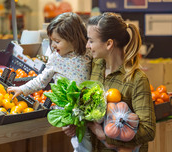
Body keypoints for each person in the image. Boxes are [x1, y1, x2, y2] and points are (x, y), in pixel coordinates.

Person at [63, 12, 156, 152]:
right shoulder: (95, 66)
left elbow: (148, 131)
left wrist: (104, 136)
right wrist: (76, 122)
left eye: (91, 41)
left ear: (109, 44)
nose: (87, 46)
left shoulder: (136, 79)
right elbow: (91, 109)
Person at [7, 12, 92, 152]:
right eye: (51, 40)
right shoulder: (55, 58)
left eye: (57, 41)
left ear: (74, 39)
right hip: (68, 110)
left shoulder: (87, 54)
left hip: (87, 109)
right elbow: (41, 80)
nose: (52, 45)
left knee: (88, 141)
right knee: (81, 143)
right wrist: (22, 89)